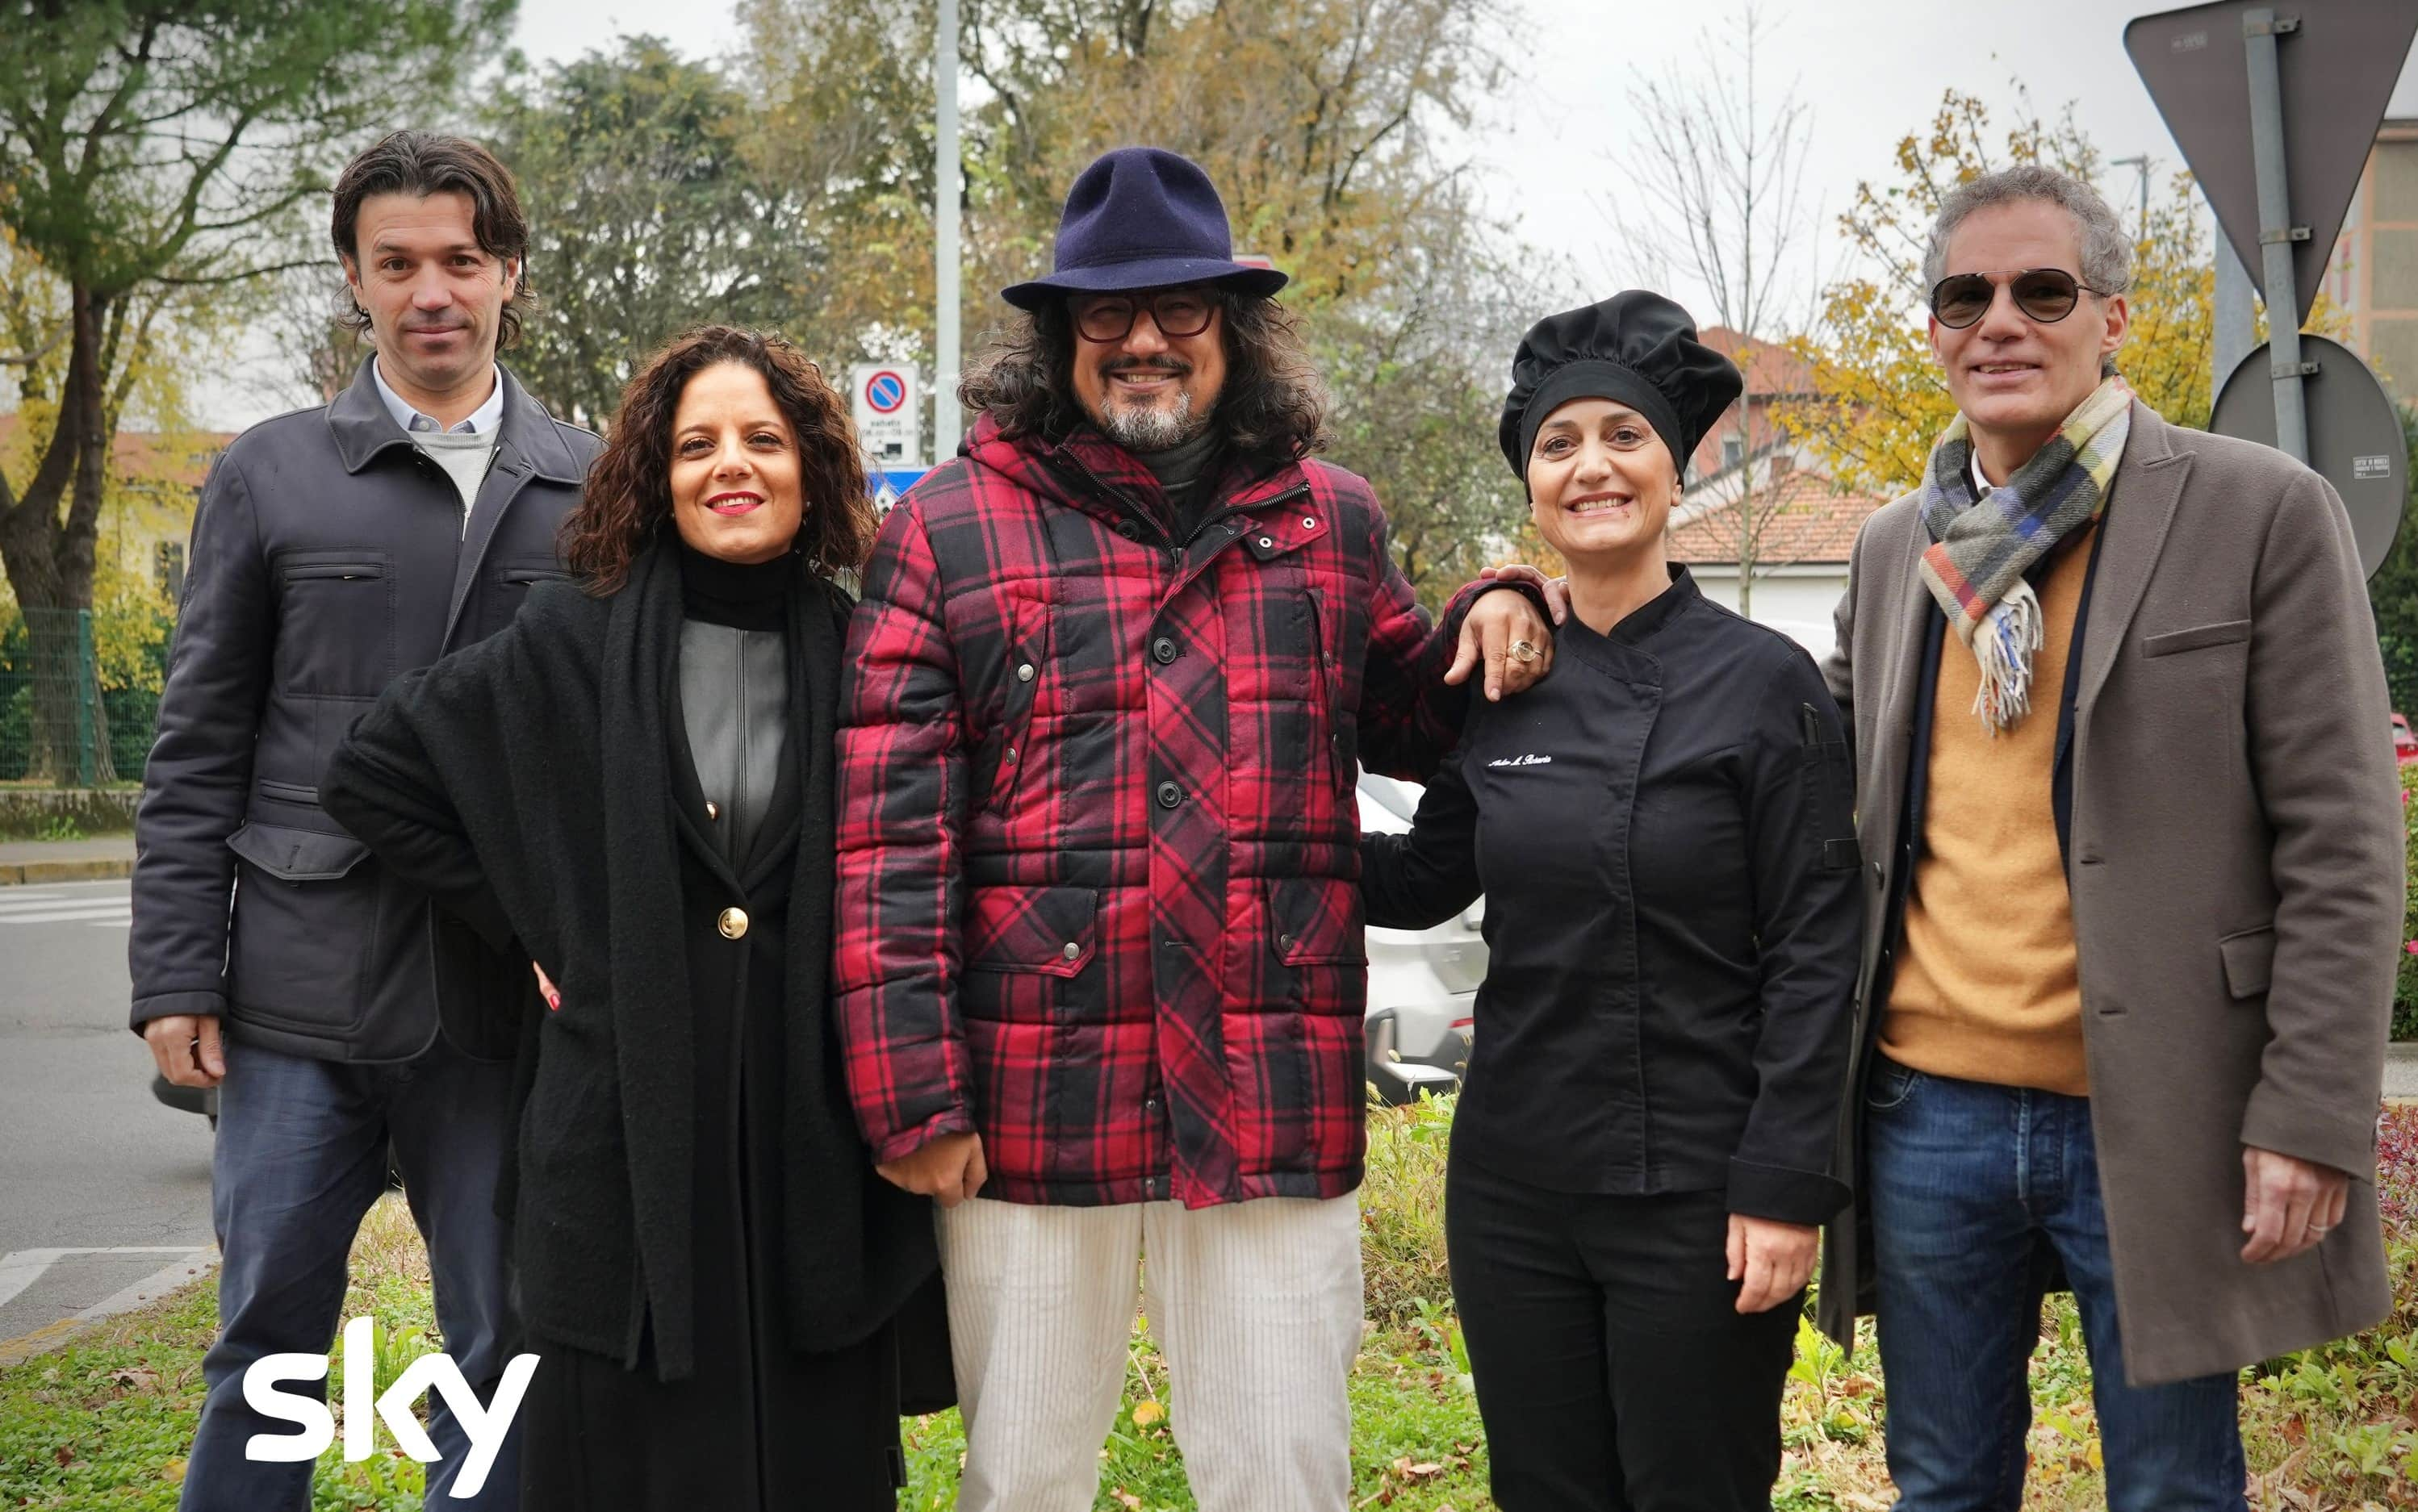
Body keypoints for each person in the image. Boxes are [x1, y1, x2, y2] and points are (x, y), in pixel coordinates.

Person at [832, 145, 1554, 1512]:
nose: (1146, 340)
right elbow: (888, 837)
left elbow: (1418, 709)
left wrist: (1502, 598)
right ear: (1058, 338)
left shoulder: (1327, 520)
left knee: (1284, 1473)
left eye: (1183, 308)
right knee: (1024, 1476)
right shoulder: (950, 530)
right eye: (1107, 313)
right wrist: (912, 1092)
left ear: (1235, 328)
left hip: (1268, 1078)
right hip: (1032, 1096)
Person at [1815, 165, 2402, 1510]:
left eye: (2044, 289)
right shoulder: (1895, 546)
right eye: (1967, 295)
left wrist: (2311, 1113)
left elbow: (2344, 840)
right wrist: (1539, 600)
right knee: (1945, 1487)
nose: (2001, 322)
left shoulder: (2258, 511)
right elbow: (1798, 776)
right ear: (1934, 331)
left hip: (2162, 1113)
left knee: (2173, 1492)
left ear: (2117, 316)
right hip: (1926, 1114)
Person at [320, 326, 941, 1510]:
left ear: (811, 465)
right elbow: (375, 774)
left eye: (763, 438)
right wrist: (541, 927)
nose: (731, 466)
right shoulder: (572, 637)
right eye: (697, 443)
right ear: (656, 473)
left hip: (810, 1125)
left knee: (816, 1450)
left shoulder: (864, 647)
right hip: (623, 1128)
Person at [129, 131, 595, 1512]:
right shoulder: (270, 475)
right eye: (397, 264)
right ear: (355, 280)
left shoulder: (586, 487)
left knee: (500, 1343)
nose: (430, 291)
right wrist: (173, 979)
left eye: (461, 261)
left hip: (499, 1001)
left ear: (509, 273)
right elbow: (198, 745)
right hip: (294, 995)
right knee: (267, 1337)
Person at [1358, 292, 1862, 1512]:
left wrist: (1787, 1179)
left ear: (1673, 467)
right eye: (1559, 443)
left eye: (1622, 437)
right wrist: (1242, 827)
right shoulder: (1505, 679)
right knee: (1544, 1490)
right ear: (1532, 484)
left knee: (1696, 1487)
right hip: (1514, 1186)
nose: (1592, 466)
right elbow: (1428, 876)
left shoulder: (1765, 685)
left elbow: (1817, 947)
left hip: (1700, 1190)